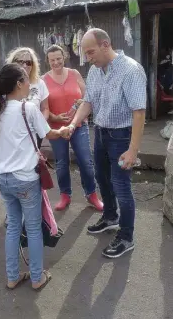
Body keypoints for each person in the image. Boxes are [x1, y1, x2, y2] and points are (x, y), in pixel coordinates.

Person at [61, 28, 146, 258]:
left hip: (122, 136)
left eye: (90, 52)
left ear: (105, 45)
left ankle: (127, 237)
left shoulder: (130, 70)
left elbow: (139, 113)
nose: (88, 58)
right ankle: (110, 217)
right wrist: (73, 123)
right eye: (86, 54)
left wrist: (132, 150)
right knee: (102, 179)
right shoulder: (95, 72)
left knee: (121, 186)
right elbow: (88, 102)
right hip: (100, 132)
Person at [0, 63, 65, 290]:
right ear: (19, 84)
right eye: (27, 80)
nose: (30, 84)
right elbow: (49, 134)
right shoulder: (27, 108)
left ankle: (12, 276)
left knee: (14, 227)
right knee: (34, 228)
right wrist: (65, 130)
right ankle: (37, 278)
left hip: (3, 180)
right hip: (26, 179)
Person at [43, 44, 103, 212]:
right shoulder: (43, 80)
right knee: (61, 163)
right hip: (57, 128)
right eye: (52, 60)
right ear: (48, 61)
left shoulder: (74, 74)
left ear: (64, 58)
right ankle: (65, 195)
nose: (56, 62)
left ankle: (91, 194)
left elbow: (87, 95)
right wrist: (55, 117)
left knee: (85, 160)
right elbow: (44, 107)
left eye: (59, 59)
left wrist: (80, 101)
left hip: (78, 125)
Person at [6, 47, 49, 148]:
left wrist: (40, 124)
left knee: (33, 160)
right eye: (20, 62)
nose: (25, 65)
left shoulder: (40, 83)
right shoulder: (6, 83)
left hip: (34, 132)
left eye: (29, 62)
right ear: (13, 63)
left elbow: (45, 108)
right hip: (13, 133)